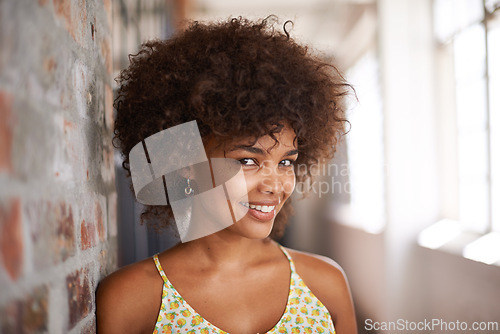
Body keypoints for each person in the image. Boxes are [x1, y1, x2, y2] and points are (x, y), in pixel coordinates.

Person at [97, 16, 357, 334]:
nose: (275, 185)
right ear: (184, 164)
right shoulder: (131, 299)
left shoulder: (325, 284)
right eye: (248, 161)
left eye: (286, 162)